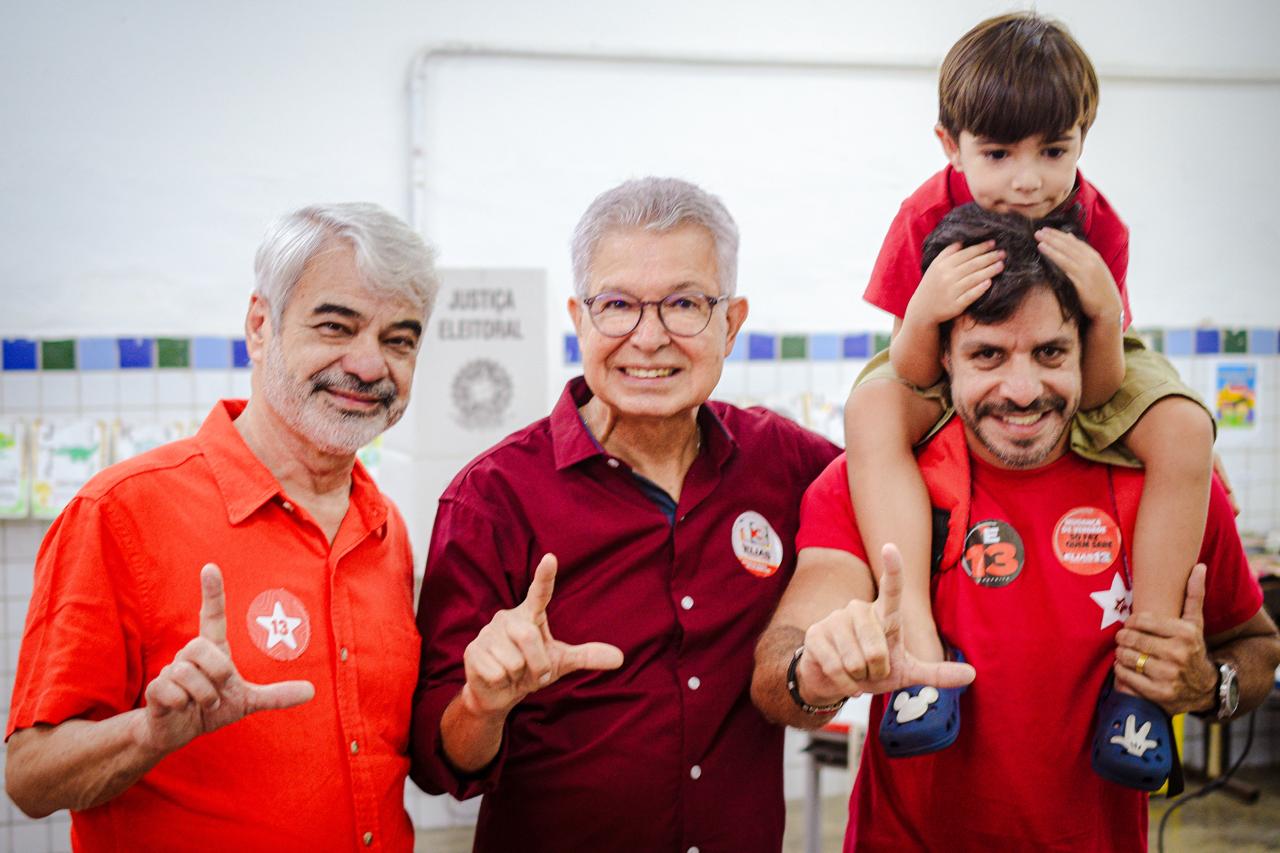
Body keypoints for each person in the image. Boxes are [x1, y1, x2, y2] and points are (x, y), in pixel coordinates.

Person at [753, 205, 1280, 851]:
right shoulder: (869, 480)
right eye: (988, 354)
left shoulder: (1168, 488)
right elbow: (777, 672)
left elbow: (1256, 647)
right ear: (943, 357)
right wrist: (815, 669)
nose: (1024, 388)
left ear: (1089, 350)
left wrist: (1211, 684)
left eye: (1051, 351)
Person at [841, 11, 1219, 780]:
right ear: (951, 144)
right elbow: (913, 372)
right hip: (938, 353)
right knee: (872, 408)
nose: (1028, 179)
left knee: (1184, 429)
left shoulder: (1096, 220)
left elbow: (1100, 390)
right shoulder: (922, 215)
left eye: (1055, 151)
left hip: (1083, 359)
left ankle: (1140, 676)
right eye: (999, 153)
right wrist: (926, 308)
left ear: (1083, 137)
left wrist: (1104, 309)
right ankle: (916, 648)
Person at [410, 177, 839, 852]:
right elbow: (440, 764)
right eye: (618, 305)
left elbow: (909, 474)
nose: (648, 338)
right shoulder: (491, 499)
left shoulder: (784, 462)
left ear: (731, 322)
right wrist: (482, 702)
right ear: (579, 318)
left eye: (684, 304)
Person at [6, 203, 439, 850]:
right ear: (260, 326)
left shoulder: (384, 528)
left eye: (398, 339)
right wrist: (149, 734)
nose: (370, 365)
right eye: (335, 326)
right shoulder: (121, 511)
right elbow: (28, 777)